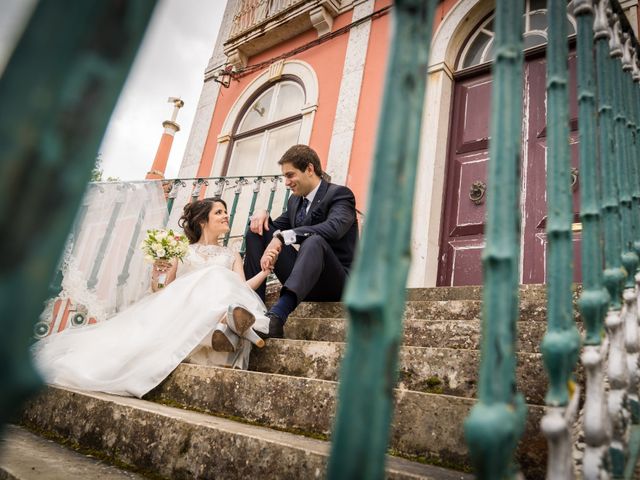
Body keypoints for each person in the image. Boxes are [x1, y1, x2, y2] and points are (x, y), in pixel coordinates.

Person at [32, 198, 271, 398]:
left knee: (222, 278)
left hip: (214, 303)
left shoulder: (231, 254)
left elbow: (242, 287)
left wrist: (264, 272)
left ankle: (224, 323)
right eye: (219, 212)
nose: (226, 216)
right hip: (182, 307)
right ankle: (226, 325)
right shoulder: (181, 250)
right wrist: (159, 272)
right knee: (216, 275)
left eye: (226, 212)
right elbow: (161, 288)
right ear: (202, 220)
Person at [244, 144, 359, 339]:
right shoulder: (295, 201)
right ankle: (255, 308)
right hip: (306, 280)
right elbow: (272, 227)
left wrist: (282, 237)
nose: (286, 183)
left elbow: (334, 228)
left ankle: (277, 317)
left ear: (309, 169)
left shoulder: (340, 195)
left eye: (290, 175)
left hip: (338, 282)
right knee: (257, 231)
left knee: (314, 241)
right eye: (285, 177)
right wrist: (262, 213)